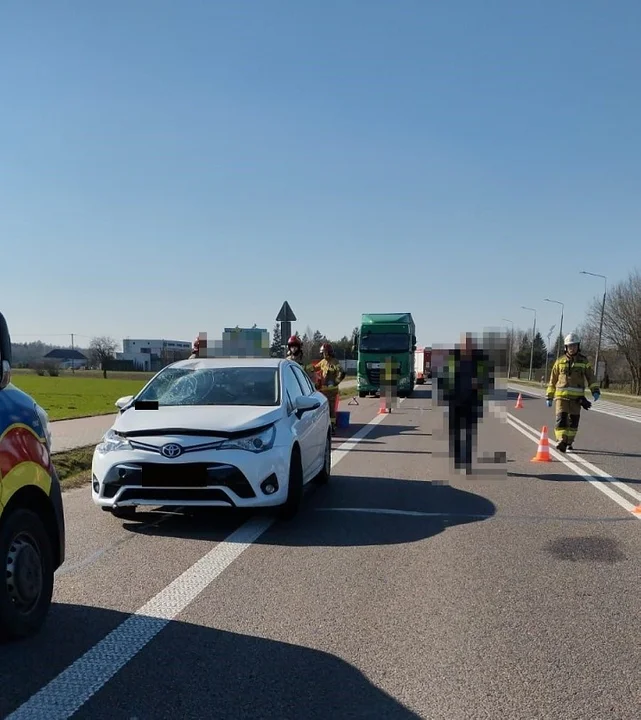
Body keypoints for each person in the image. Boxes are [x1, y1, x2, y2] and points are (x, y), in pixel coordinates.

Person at [437, 333, 494, 474]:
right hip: (454, 402)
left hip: (472, 403)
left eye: (470, 344)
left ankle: (467, 463)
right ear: (461, 345)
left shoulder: (480, 359)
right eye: (465, 344)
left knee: (469, 434)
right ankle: (457, 460)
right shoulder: (452, 358)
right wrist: (444, 394)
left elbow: (489, 379)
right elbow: (442, 377)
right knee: (455, 433)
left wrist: (480, 384)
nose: (467, 347)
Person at [546, 332, 600, 452]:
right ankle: (561, 440)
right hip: (561, 397)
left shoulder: (584, 362)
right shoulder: (559, 362)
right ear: (566, 347)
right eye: (570, 346)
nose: (572, 348)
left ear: (578, 346)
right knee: (561, 419)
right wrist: (549, 396)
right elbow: (552, 380)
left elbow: (591, 377)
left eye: (574, 346)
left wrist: (595, 390)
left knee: (573, 421)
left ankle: (568, 442)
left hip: (577, 399)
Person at [314, 343, 345, 433]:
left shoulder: (335, 362)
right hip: (323, 391)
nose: (324, 355)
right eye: (323, 353)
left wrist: (336, 382)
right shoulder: (323, 362)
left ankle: (332, 427)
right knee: (323, 410)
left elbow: (341, 373)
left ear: (329, 353)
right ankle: (324, 426)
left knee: (331, 410)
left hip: (332, 391)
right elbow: (315, 369)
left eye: (325, 353)